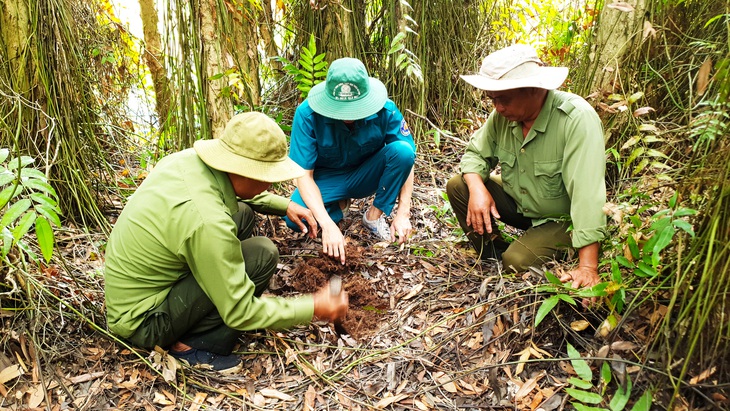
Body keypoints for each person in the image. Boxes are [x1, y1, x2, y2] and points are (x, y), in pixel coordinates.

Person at [104, 112, 349, 374]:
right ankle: (194, 346)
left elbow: (227, 190)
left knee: (241, 213)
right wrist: (313, 306)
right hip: (144, 322)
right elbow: (240, 311)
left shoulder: (186, 161)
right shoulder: (208, 222)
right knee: (262, 255)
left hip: (137, 291)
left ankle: (212, 290)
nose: (272, 183)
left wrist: (284, 205)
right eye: (269, 176)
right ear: (246, 171)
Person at [446, 44, 607, 289]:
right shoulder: (502, 116)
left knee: (516, 262)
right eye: (492, 99)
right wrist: (477, 187)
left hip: (561, 218)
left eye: (504, 99)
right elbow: (475, 154)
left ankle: (514, 255)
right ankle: (492, 252)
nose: (497, 107)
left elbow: (587, 193)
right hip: (521, 203)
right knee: (459, 185)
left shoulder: (575, 119)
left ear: (534, 89)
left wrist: (588, 266)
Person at [285, 57, 416, 264]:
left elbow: (407, 159)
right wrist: (327, 224)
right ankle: (338, 207)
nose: (349, 115)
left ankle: (373, 216)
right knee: (297, 218)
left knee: (403, 151)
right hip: (326, 178)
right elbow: (303, 175)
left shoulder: (386, 110)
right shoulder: (307, 114)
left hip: (366, 174)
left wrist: (403, 213)